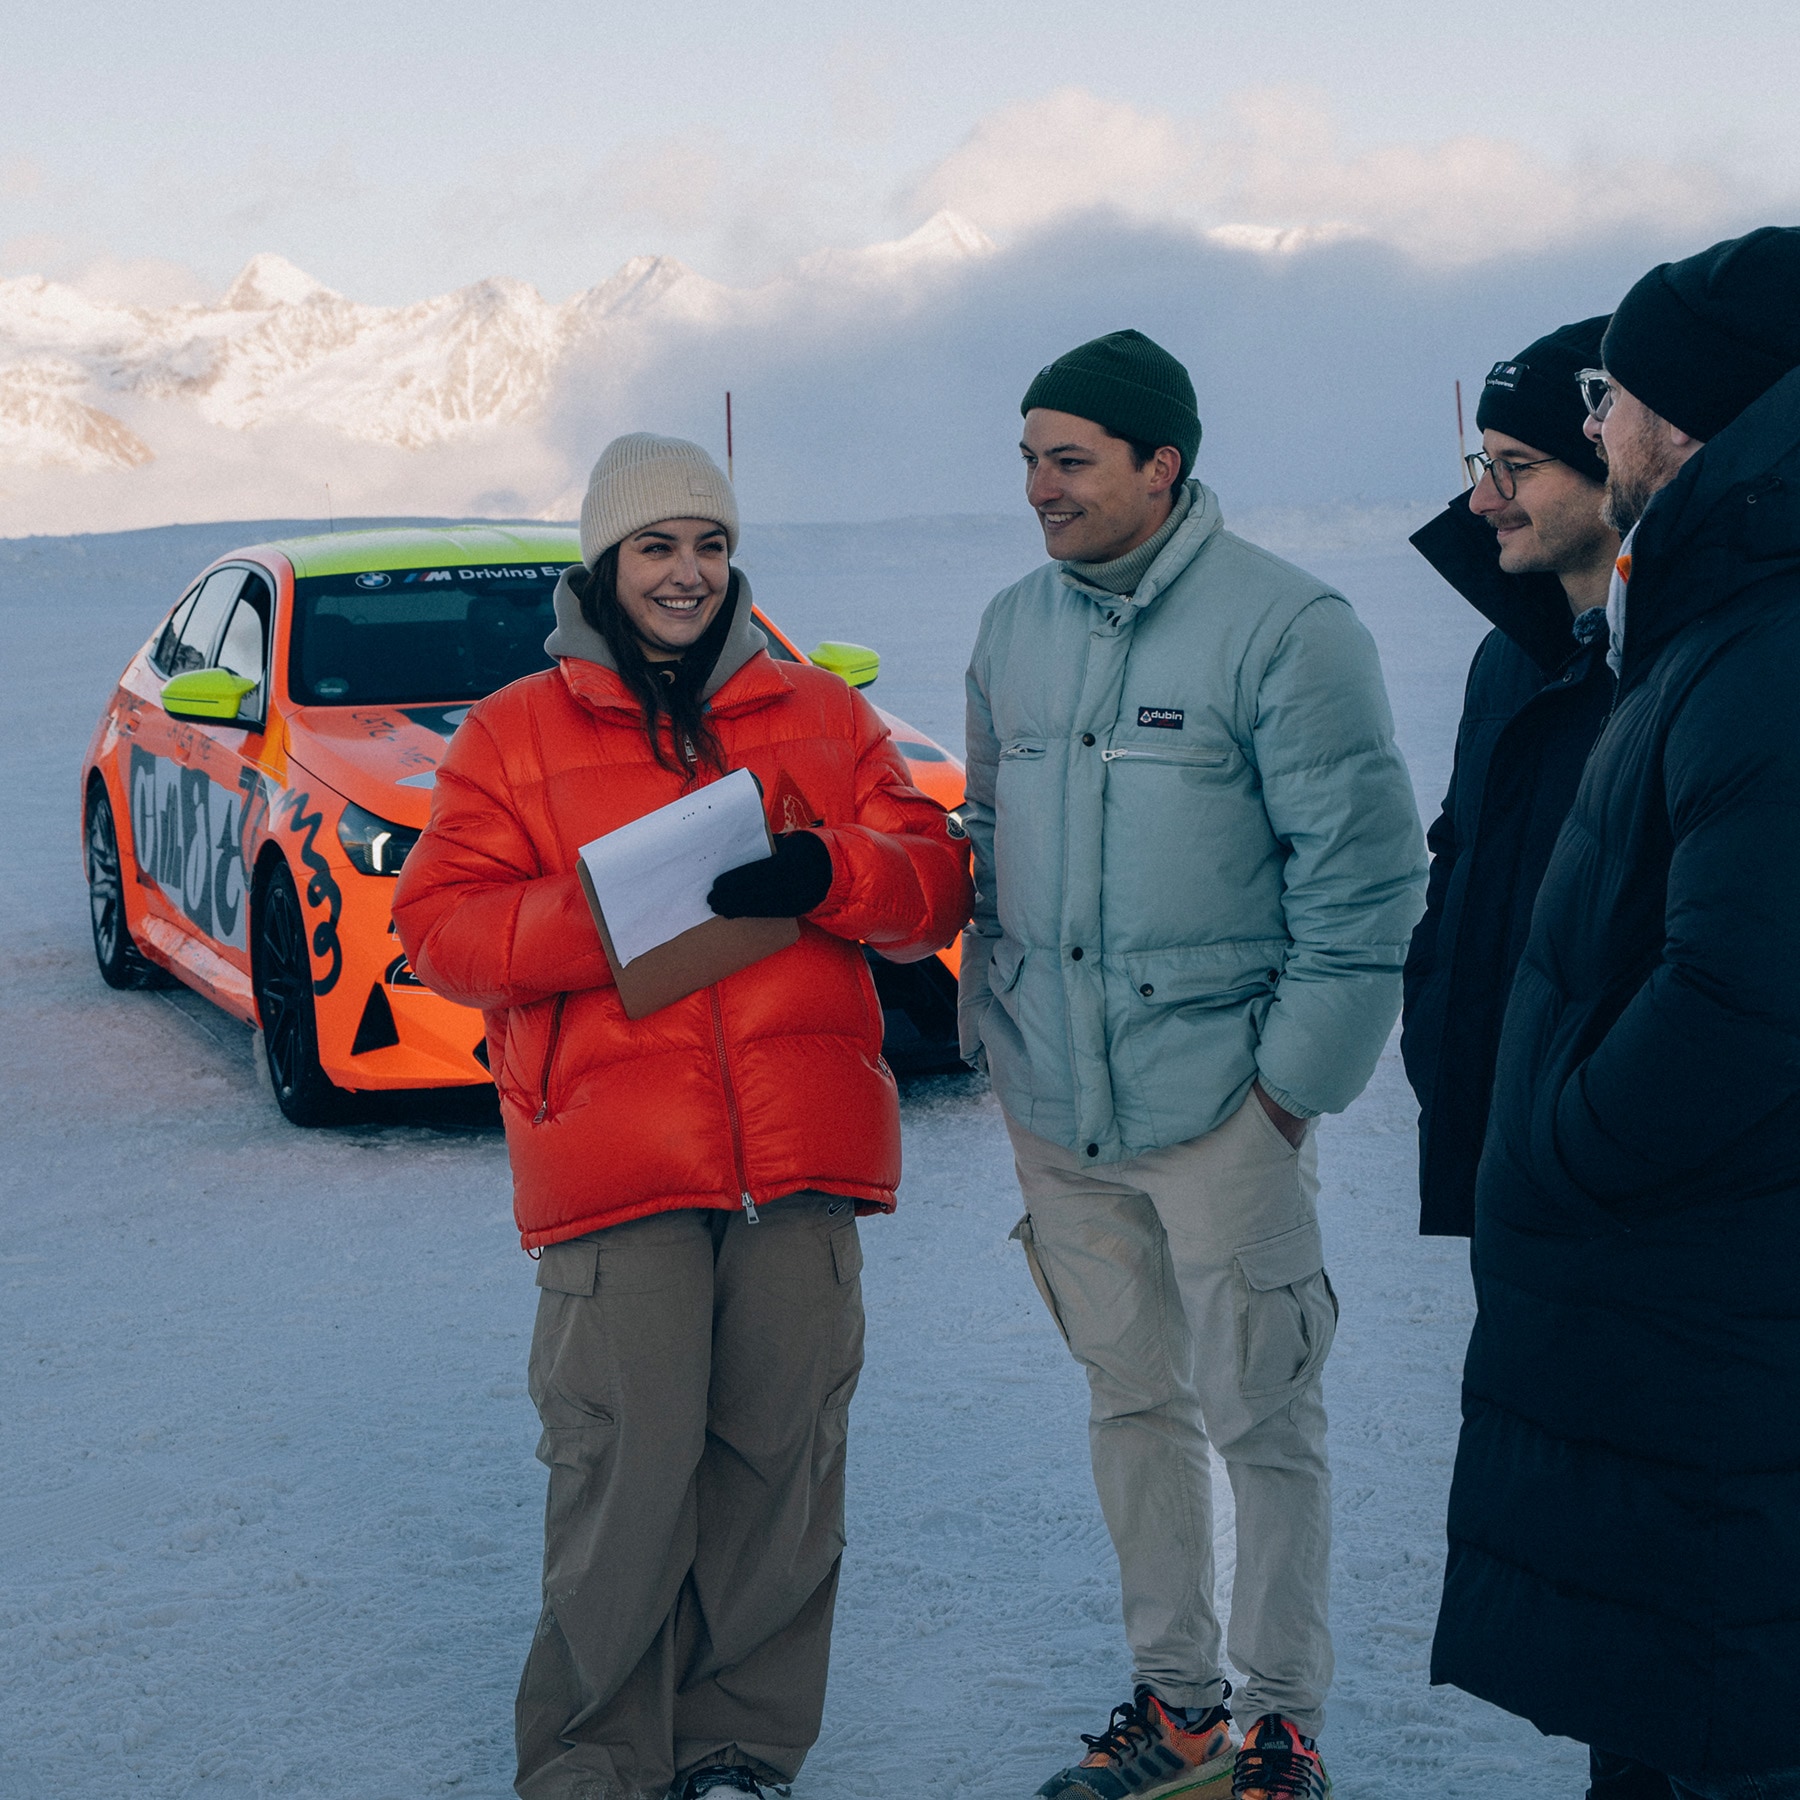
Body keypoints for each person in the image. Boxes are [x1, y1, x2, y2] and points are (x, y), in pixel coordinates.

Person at [392, 433, 972, 1800]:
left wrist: (827, 868)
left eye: (710, 546)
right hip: (618, 1165)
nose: (688, 574)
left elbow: (934, 884)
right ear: (605, 562)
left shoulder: (821, 716)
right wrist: (609, 913)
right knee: (624, 1479)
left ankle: (738, 1756)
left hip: (802, 1159)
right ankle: (594, 1765)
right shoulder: (513, 732)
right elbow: (440, 933)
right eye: (657, 547)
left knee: (779, 1478)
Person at [959, 330, 1427, 1800]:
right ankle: (1176, 1707)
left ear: (1163, 464)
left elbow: (1363, 885)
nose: (1039, 488)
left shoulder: (1289, 628)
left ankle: (1282, 1722)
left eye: (1072, 459)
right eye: (1030, 456)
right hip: (1059, 1103)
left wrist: (1291, 1088)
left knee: (1264, 1414)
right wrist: (996, 1025)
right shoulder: (1011, 628)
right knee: (1130, 1406)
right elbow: (985, 846)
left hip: (1227, 1105)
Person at [1430, 228, 1800, 1800]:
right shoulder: (1716, 620)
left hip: (1703, 1294)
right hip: (1680, 1307)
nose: (1598, 426)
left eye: (1612, 394)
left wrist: (1566, 1147)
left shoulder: (1767, 651)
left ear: (1693, 418)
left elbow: (1742, 991)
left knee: (1714, 1719)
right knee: (1673, 1704)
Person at [1402, 317, 1619, 1237]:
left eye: (1517, 467)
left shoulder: (1691, 665)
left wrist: (1597, 1113)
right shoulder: (1507, 659)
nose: (1484, 501)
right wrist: (1434, 1032)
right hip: (1498, 1144)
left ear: (1616, 466)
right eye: (1479, 464)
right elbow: (1456, 857)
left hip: (1623, 1171)